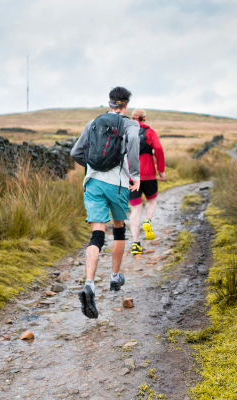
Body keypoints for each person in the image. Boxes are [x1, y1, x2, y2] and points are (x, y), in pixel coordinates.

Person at [70, 86, 141, 319]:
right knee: (118, 226)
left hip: (92, 182)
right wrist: (136, 174)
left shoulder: (92, 123)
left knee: (96, 234)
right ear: (126, 104)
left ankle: (89, 283)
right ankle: (114, 276)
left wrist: (93, 165)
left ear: (110, 102)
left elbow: (75, 153)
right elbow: (132, 144)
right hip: (117, 183)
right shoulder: (130, 124)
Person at [128, 108, 165, 255]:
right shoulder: (150, 132)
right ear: (144, 119)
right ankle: (148, 221)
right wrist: (161, 169)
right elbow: (159, 149)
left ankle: (136, 243)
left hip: (132, 176)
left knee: (135, 209)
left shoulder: (127, 133)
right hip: (149, 174)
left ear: (132, 119)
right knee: (152, 201)